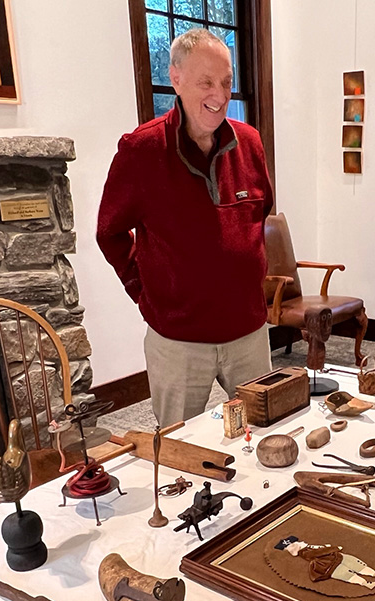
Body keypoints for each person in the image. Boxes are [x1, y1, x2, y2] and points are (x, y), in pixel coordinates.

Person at [96, 28, 274, 428]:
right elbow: (109, 232)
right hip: (177, 342)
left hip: (248, 333)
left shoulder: (250, 143)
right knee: (179, 447)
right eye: (206, 82)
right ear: (175, 78)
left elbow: (260, 215)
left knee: (263, 433)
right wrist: (146, 293)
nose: (220, 94)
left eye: (227, 82)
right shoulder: (141, 150)